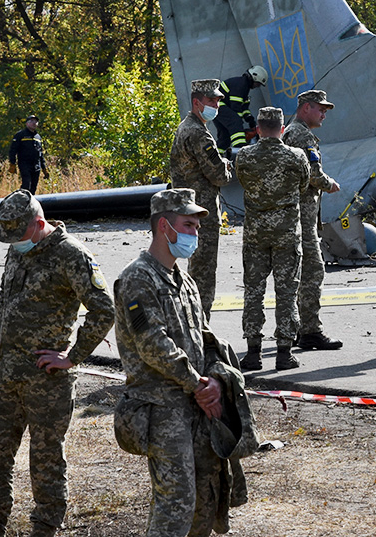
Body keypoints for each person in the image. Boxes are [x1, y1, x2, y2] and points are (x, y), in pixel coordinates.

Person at [112, 187, 254, 536]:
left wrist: (217, 380)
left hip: (197, 409)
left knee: (206, 501)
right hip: (163, 411)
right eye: (188, 225)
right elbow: (152, 344)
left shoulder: (184, 281)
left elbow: (205, 341)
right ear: (165, 227)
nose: (195, 233)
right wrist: (198, 385)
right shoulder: (137, 278)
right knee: (176, 504)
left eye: (196, 227)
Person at [0, 189, 115, 537]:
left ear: (39, 224)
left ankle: (45, 527)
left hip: (46, 380)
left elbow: (104, 309)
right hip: (7, 376)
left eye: (18, 236)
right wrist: (0, 335)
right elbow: (7, 296)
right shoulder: (17, 245)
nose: (12, 243)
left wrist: (72, 356)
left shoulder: (71, 255)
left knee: (46, 461)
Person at [234, 106, 309, 371]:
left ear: (257, 128)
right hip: (286, 233)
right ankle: (284, 353)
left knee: (253, 291)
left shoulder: (244, 156)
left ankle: (253, 352)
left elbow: (242, 180)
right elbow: (304, 184)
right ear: (282, 129)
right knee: (286, 291)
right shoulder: (296, 156)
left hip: (255, 233)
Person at [282, 89, 343, 351]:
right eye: (320, 109)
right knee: (313, 272)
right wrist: (329, 184)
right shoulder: (302, 135)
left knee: (297, 273)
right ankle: (310, 331)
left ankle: (296, 327)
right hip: (303, 217)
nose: (324, 115)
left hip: (297, 214)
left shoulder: (290, 132)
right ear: (305, 108)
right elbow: (313, 174)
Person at [170, 79, 233, 317]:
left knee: (195, 269)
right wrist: (227, 166)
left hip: (186, 209)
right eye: (211, 101)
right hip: (201, 213)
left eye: (217, 100)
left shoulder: (186, 126)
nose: (215, 105)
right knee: (203, 274)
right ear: (197, 102)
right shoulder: (199, 134)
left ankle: (191, 322)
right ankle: (199, 327)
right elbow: (219, 176)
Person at [214, 65, 268, 157]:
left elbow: (244, 109)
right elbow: (236, 108)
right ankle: (241, 151)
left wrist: (251, 121)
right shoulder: (241, 85)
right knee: (235, 121)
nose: (256, 87)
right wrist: (240, 129)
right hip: (218, 105)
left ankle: (217, 158)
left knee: (225, 136)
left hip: (217, 108)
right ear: (254, 77)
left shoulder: (244, 88)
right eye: (257, 84)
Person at [9, 114, 48, 194]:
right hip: (24, 164)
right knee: (26, 185)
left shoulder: (38, 137)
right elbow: (13, 150)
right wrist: (12, 163)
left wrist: (44, 168)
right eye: (31, 121)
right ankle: (21, 201)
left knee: (33, 187)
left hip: (36, 165)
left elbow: (40, 153)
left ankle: (30, 204)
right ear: (27, 123)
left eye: (36, 121)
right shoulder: (20, 135)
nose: (34, 123)